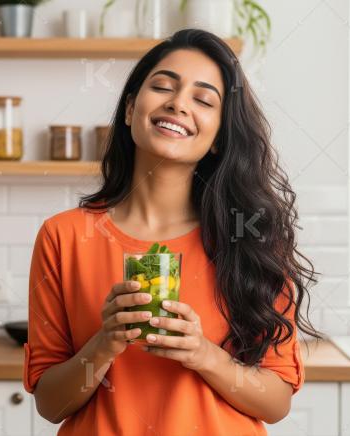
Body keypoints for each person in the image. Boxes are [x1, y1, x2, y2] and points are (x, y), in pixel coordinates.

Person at [24, 28, 319, 435]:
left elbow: (276, 401)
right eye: (163, 86)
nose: (178, 104)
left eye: (203, 99)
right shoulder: (64, 236)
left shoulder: (251, 237)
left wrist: (202, 354)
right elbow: (51, 404)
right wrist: (104, 342)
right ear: (130, 110)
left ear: (218, 138)